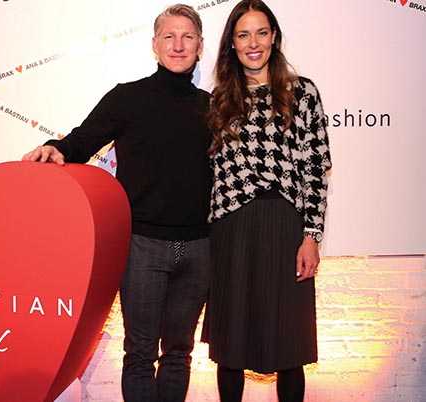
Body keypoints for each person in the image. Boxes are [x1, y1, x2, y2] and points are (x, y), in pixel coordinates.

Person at [22, 5, 212, 401]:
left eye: (187, 37)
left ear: (200, 47)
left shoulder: (215, 107)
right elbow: (83, 139)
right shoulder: (128, 98)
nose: (178, 45)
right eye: (169, 37)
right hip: (143, 247)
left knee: (180, 353)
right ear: (155, 46)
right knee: (140, 353)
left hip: (200, 249)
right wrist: (55, 148)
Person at [200, 1, 332, 401]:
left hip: (284, 224)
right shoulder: (218, 99)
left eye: (261, 32)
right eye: (243, 34)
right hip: (230, 228)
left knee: (289, 344)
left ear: (274, 37)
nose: (253, 42)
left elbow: (315, 168)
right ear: (232, 44)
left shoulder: (302, 92)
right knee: (231, 345)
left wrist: (312, 236)